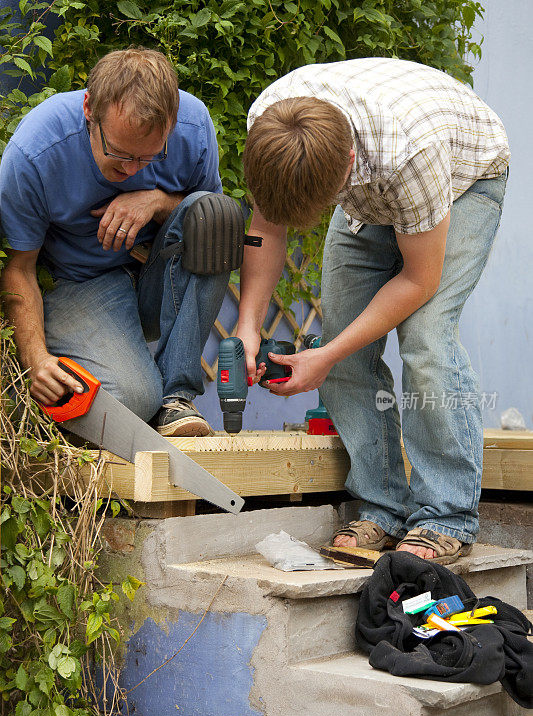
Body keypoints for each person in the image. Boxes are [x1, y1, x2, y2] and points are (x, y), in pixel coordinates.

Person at [237, 58, 510, 563]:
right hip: (376, 183)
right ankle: (381, 506)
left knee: (427, 336)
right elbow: (266, 227)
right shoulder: (271, 125)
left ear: (345, 164)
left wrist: (328, 355)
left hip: (462, 179)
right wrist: (247, 325)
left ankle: (446, 514)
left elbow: (418, 279)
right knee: (342, 339)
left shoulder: (411, 155)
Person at [0, 47, 228, 436]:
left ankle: (177, 399)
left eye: (149, 158)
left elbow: (204, 222)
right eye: (118, 153)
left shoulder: (194, 126)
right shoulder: (36, 152)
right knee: (133, 402)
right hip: (83, 281)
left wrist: (156, 200)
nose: (130, 170)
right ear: (89, 109)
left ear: (172, 124)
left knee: (216, 215)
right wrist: (36, 358)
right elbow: (18, 268)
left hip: (159, 273)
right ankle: (146, 397)